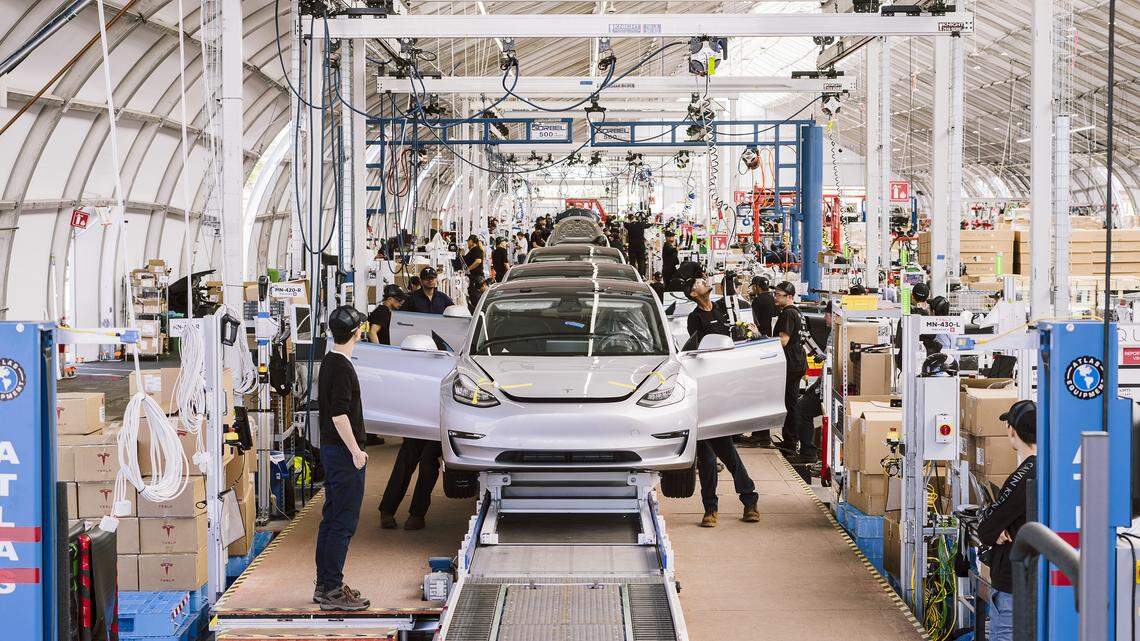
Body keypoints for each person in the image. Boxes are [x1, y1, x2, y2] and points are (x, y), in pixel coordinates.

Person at [685, 279, 759, 527]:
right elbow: (697, 353)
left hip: (726, 390)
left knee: (727, 454)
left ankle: (749, 500)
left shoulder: (722, 308)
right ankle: (712, 509)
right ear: (694, 294)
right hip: (706, 393)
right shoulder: (694, 319)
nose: (705, 282)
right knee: (708, 459)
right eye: (699, 282)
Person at [314, 306, 370, 610]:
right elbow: (339, 416)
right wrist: (356, 452)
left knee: (332, 518)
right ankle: (334, 590)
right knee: (343, 523)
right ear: (357, 332)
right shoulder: (343, 368)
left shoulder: (330, 362)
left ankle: (324, 585)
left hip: (330, 450)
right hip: (342, 452)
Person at [976, 400, 1037, 641]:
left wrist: (997, 526)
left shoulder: (1024, 474)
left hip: (1014, 584)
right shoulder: (1054, 468)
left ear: (1011, 431)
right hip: (1037, 582)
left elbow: (986, 529)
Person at [773, 281, 808, 455]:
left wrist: (762, 340)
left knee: (789, 404)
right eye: (775, 294)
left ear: (789, 297)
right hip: (798, 361)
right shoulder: (798, 312)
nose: (775, 298)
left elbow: (783, 341)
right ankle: (791, 441)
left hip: (791, 363)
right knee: (791, 402)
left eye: (779, 295)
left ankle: (790, 443)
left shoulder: (787, 314)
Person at [462, 235, 486, 311]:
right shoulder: (473, 250)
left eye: (468, 241)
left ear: (472, 241)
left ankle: (479, 315)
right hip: (474, 278)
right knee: (474, 298)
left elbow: (478, 261)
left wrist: (468, 269)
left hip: (476, 278)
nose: (467, 243)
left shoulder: (476, 250)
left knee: (476, 299)